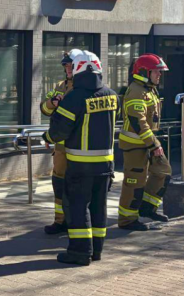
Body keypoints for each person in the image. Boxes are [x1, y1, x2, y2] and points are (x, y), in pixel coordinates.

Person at [46, 50, 118, 266]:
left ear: (78, 69)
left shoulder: (75, 97)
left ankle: (79, 252)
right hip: (106, 165)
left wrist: (46, 137)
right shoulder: (112, 95)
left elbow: (59, 132)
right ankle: (96, 251)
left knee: (77, 208)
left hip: (80, 165)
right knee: (99, 207)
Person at [117, 54, 172, 230]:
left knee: (163, 171)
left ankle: (147, 208)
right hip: (135, 145)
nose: (159, 75)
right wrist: (153, 144)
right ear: (144, 72)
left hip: (147, 142)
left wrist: (152, 143)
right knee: (134, 181)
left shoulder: (148, 88)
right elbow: (137, 121)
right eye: (156, 71)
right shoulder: (136, 91)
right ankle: (127, 220)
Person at [40, 50, 78, 234]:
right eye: (65, 66)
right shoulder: (60, 86)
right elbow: (44, 109)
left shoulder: (83, 88)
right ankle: (60, 220)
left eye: (71, 65)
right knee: (59, 183)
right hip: (60, 147)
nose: (68, 68)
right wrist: (52, 103)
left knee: (77, 185)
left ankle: (76, 221)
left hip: (78, 146)